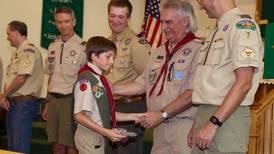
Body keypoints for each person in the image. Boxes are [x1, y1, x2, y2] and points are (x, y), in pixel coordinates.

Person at [113, 0, 202, 153]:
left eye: (169, 22)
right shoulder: (160, 51)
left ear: (185, 21)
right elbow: (142, 84)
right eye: (162, 22)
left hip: (183, 126)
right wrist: (107, 87)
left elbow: (191, 94)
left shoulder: (199, 50)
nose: (163, 27)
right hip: (158, 126)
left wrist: (163, 114)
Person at [188, 0, 263, 153]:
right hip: (207, 115)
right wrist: (199, 122)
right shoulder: (216, 30)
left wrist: (214, 122)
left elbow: (244, 83)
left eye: (200, 0)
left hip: (226, 118)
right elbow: (210, 83)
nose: (200, 6)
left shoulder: (242, 26)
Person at [74, 36, 145, 154]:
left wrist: (135, 117)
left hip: (98, 136)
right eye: (108, 57)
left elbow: (106, 113)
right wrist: (106, 132)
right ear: (94, 56)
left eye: (113, 57)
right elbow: (79, 116)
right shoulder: (86, 80)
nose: (112, 61)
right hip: (90, 138)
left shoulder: (99, 78)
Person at [106, 1, 151, 154]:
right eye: (112, 16)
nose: (115, 20)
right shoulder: (107, 42)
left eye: (121, 16)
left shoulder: (136, 43)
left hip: (129, 106)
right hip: (110, 106)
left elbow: (147, 78)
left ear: (128, 18)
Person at [42, 6, 86, 154]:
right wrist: (47, 103)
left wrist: (81, 107)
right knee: (55, 144)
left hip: (71, 101)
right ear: (55, 23)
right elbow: (51, 76)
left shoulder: (82, 48)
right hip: (53, 100)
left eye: (67, 21)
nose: (63, 25)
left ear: (74, 22)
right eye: (59, 22)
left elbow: (84, 81)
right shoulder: (52, 46)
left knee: (72, 144)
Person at [0, 20, 44, 154]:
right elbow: (11, 79)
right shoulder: (18, 53)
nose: (7, 37)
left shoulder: (28, 50)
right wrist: (5, 97)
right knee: (13, 147)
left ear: (16, 32)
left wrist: (4, 95)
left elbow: (21, 78)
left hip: (23, 103)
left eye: (8, 34)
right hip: (14, 103)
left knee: (19, 147)